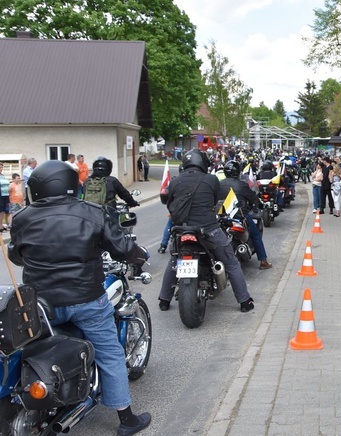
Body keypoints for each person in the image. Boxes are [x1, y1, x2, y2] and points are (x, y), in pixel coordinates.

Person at [8, 160, 151, 435]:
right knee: (110, 354)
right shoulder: (92, 212)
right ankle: (126, 419)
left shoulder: (23, 217)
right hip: (87, 299)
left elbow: (15, 255)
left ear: (36, 189)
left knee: (37, 349)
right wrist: (140, 255)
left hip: (42, 304)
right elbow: (122, 247)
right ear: (73, 185)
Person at [157, 149, 255, 313]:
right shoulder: (211, 179)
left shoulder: (175, 181)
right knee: (231, 262)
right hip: (208, 230)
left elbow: (168, 201)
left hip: (181, 230)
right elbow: (215, 201)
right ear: (202, 163)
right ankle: (245, 301)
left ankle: (164, 300)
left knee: (174, 261)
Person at [218, 160, 272, 269]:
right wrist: (260, 205)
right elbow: (254, 199)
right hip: (239, 216)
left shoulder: (219, 184)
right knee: (256, 235)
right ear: (238, 172)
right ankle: (263, 261)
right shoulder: (242, 185)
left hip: (222, 216)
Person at [0, 163, 10, 230]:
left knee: (3, 210)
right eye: (0, 167)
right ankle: (0, 225)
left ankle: (1, 224)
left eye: (1, 167)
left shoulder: (2, 175)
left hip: (6, 194)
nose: (1, 168)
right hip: (1, 195)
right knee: (0, 210)